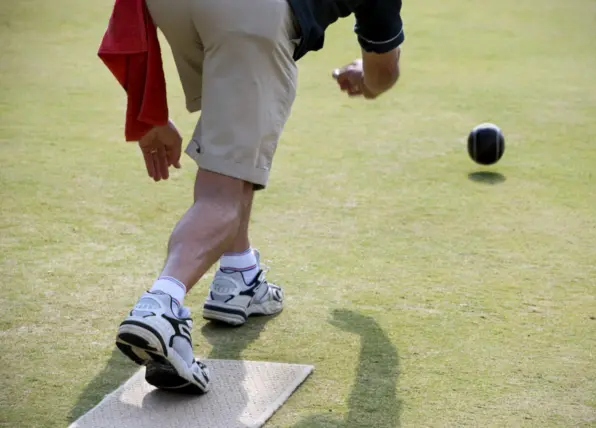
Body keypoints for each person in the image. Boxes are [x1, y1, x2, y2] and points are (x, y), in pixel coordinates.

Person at [112, 0, 404, 394]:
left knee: (233, 149)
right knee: (222, 195)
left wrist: (148, 110)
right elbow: (383, 71)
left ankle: (239, 275)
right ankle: (161, 306)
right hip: (248, 12)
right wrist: (365, 81)